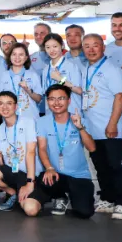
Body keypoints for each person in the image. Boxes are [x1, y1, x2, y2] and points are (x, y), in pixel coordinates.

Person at [26, 84, 97, 219]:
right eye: (52, 99)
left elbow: (92, 148)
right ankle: (60, 196)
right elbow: (42, 148)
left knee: (85, 212)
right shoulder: (42, 122)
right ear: (47, 102)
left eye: (61, 98)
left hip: (79, 176)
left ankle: (73, 197)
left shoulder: (80, 120)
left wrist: (80, 128)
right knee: (43, 182)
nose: (56, 103)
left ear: (69, 101)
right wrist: (49, 168)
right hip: (55, 175)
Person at [81, 34, 122, 220]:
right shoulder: (87, 68)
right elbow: (85, 92)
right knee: (101, 166)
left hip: (111, 129)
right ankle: (108, 199)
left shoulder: (112, 68)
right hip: (93, 129)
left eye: (95, 45)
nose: (91, 49)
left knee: (117, 167)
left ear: (103, 47)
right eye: (87, 46)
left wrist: (112, 124)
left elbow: (120, 97)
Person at [0, 92, 38, 212]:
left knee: (30, 210)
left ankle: (27, 192)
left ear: (16, 106)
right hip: (12, 172)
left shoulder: (28, 122)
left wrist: (30, 181)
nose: (5, 107)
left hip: (30, 174)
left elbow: (31, 152)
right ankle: (12, 193)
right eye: (0, 104)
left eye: (9, 103)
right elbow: (1, 164)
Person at [0, 43, 43, 123]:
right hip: (9, 120)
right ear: (10, 57)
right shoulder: (2, 76)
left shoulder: (33, 75)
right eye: (14, 54)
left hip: (30, 120)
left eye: (21, 54)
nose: (17, 57)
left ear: (26, 57)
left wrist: (28, 90)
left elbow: (39, 99)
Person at [39, 34, 83, 114]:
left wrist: (61, 80)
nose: (51, 50)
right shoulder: (45, 70)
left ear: (62, 45)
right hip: (51, 113)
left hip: (71, 112)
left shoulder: (71, 66)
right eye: (48, 47)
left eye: (55, 46)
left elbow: (79, 90)